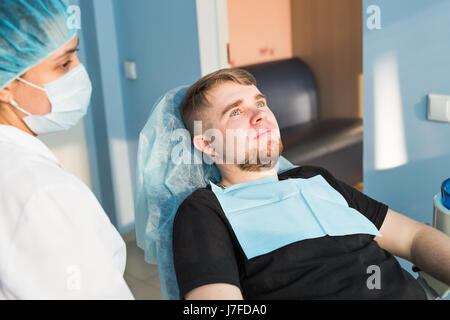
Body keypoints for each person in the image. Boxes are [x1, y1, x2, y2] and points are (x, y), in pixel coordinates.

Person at [172, 68, 450, 300]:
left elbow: (414, 238)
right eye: (235, 112)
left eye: (259, 103)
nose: (260, 115)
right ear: (208, 144)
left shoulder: (315, 178)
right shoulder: (205, 210)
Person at [0, 0, 133, 299]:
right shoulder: (45, 194)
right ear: (5, 86)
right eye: (63, 63)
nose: (79, 72)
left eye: (76, 56)